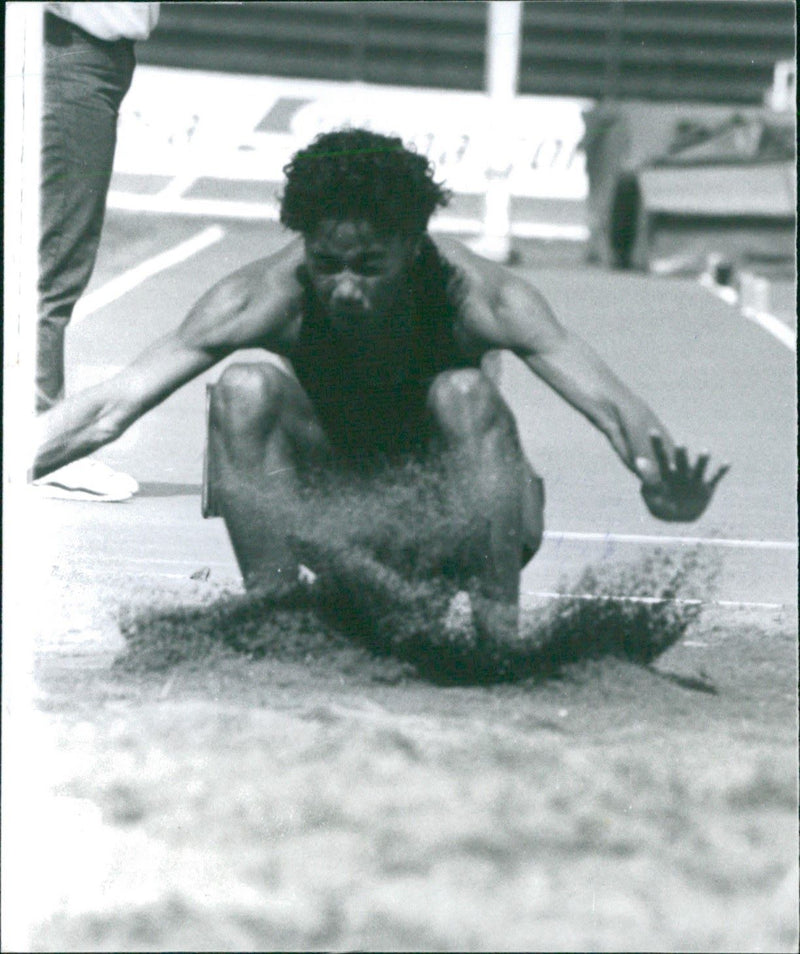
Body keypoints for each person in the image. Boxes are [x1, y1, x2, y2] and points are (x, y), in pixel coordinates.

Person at [32, 128, 729, 641]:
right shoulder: (261, 296)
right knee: (243, 387)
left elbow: (610, 405)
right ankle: (279, 629)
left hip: (460, 518)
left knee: (465, 393)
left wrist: (655, 474)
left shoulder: (480, 296)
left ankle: (498, 643)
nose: (344, 288)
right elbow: (109, 409)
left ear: (414, 243)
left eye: (369, 266)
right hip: (334, 517)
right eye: (328, 262)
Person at [34, 1, 160, 501]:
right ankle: (37, 443)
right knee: (53, 256)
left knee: (51, 250)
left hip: (92, 57)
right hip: (68, 50)